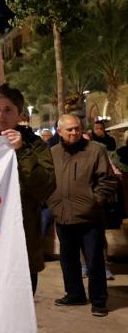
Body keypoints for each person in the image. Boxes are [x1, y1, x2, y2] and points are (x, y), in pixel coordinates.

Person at [0, 83, 55, 294]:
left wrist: (22, 152)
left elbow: (45, 187)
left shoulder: (34, 145)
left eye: (8, 110)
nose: (1, 115)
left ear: (19, 115)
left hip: (21, 241)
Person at [47, 114, 119, 317]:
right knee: (68, 259)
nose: (74, 132)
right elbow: (47, 180)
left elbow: (108, 181)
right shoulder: (52, 152)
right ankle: (75, 294)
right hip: (62, 215)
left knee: (94, 260)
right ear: (59, 132)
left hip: (90, 217)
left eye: (77, 128)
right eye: (69, 129)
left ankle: (98, 300)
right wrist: (53, 202)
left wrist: (93, 201)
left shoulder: (95, 150)